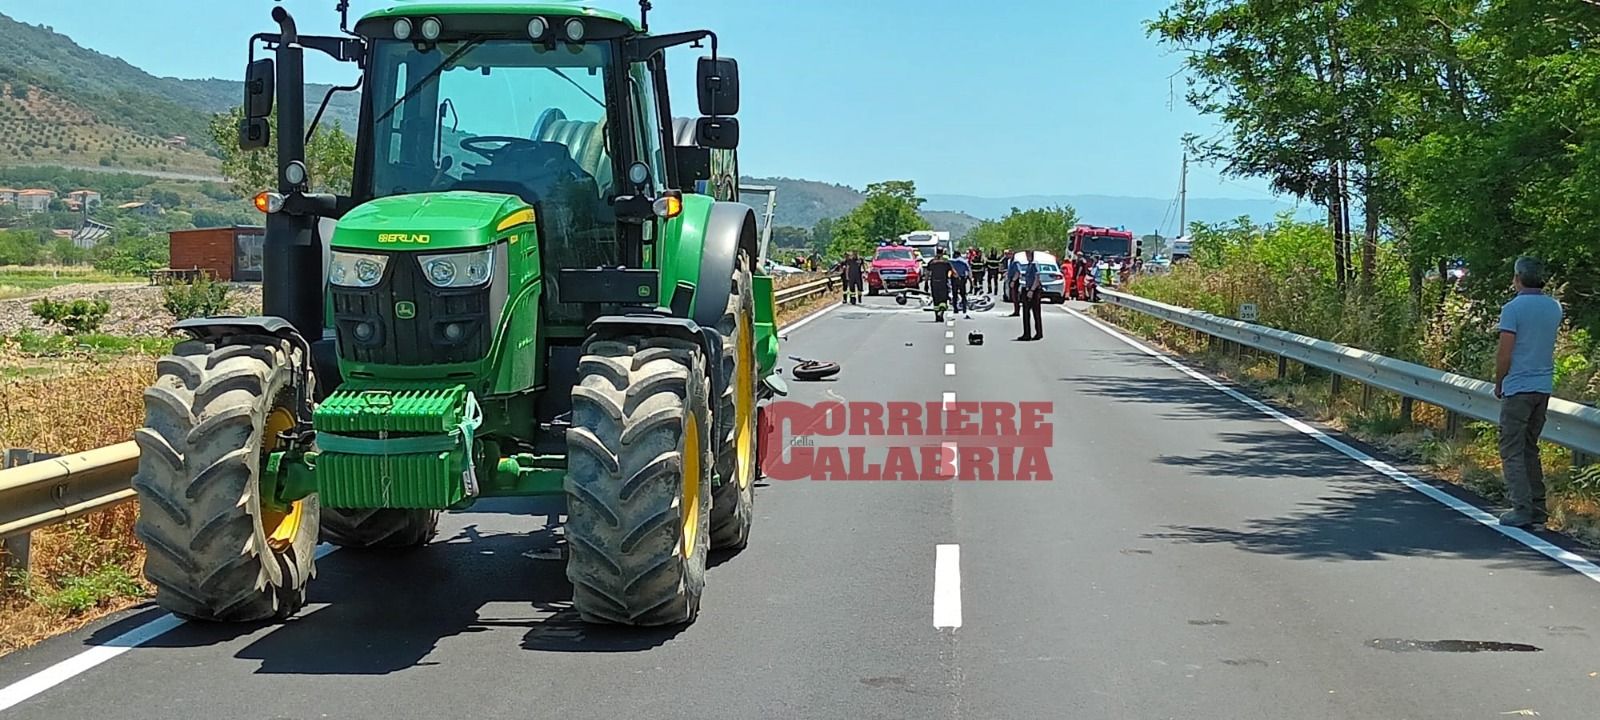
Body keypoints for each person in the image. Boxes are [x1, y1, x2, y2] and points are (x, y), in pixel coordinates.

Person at [1494, 257, 1563, 528]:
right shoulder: (1553, 307)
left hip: (1518, 386)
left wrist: (1500, 381)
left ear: (1518, 278)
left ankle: (1521, 508)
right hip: (1542, 386)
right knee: (1530, 448)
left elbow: (1505, 353)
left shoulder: (1513, 309)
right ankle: (1538, 507)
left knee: (1511, 448)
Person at [1016, 249, 1044, 340]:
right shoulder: (1028, 265)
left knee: (1035, 312)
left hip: (1033, 291)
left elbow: (1037, 278)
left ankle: (1038, 333)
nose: (1027, 256)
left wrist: (1031, 290)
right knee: (1026, 313)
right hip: (1027, 289)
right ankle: (1027, 333)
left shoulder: (1034, 264)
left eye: (1028, 255)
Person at [925, 248, 954, 321]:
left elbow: (927, 274)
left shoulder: (931, 262)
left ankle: (937, 315)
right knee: (943, 300)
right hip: (943, 283)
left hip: (934, 283)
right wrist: (949, 277)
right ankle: (941, 313)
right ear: (942, 253)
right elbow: (952, 271)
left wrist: (926, 283)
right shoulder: (945, 262)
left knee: (936, 300)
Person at [1005, 250, 1021, 316]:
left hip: (1015, 280)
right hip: (1011, 279)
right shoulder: (1010, 261)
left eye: (1009, 254)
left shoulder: (1015, 262)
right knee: (1013, 296)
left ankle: (1017, 311)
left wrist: (1013, 281)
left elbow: (1017, 272)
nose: (1008, 255)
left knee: (1015, 296)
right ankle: (1015, 310)